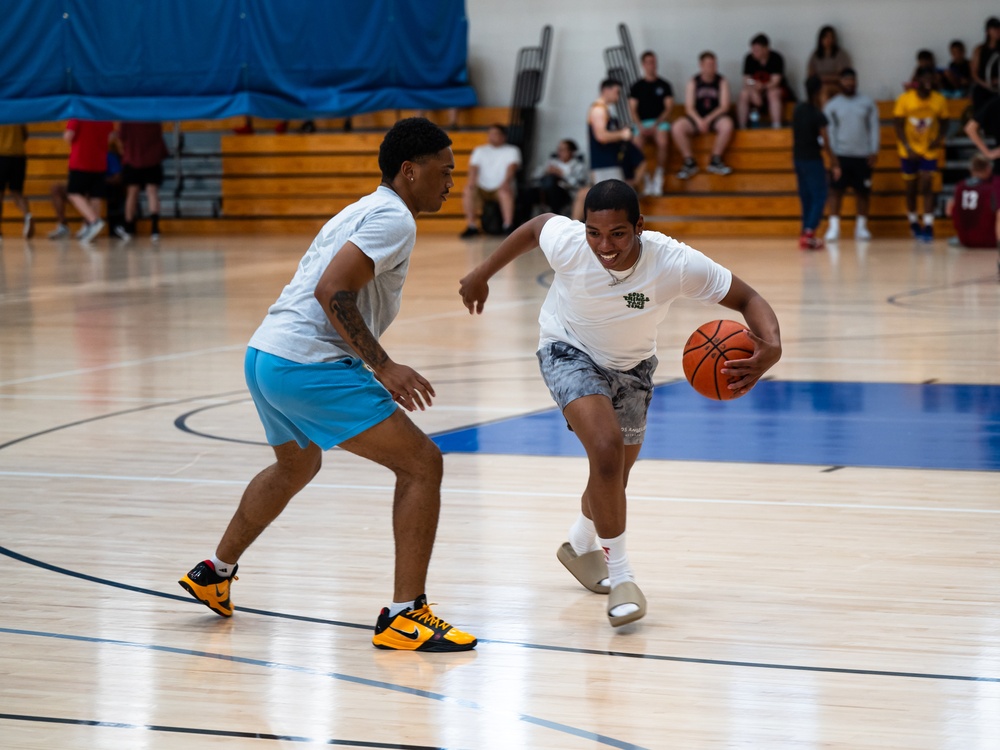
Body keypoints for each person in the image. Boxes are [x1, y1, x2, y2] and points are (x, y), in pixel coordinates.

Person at [178, 117, 477, 653]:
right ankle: (406, 615)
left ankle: (215, 572)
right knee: (421, 463)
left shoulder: (364, 208)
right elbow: (332, 290)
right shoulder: (393, 219)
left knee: (297, 463)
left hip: (265, 354)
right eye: (444, 170)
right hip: (306, 363)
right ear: (410, 171)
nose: (451, 180)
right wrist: (383, 366)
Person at [458, 179, 781, 628]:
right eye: (594, 232)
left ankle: (579, 542)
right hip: (566, 349)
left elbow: (748, 298)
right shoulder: (571, 243)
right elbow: (534, 228)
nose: (604, 245)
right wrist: (481, 272)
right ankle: (623, 577)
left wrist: (773, 346)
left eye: (617, 234)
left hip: (633, 370)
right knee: (606, 451)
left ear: (639, 227)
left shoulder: (673, 261)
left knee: (614, 476)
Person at [823, 68, 881, 242]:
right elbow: (830, 132)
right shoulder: (832, 105)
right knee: (836, 191)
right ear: (840, 82)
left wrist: (874, 150)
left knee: (863, 192)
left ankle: (861, 227)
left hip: (862, 155)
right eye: (846, 80)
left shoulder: (867, 103)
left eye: (852, 80)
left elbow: (874, 128)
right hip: (841, 155)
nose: (850, 83)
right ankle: (834, 227)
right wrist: (833, 157)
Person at [893, 67, 949, 241]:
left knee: (927, 184)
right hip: (908, 150)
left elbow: (945, 122)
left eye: (930, 77)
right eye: (924, 77)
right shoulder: (905, 99)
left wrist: (939, 138)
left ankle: (929, 225)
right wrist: (907, 147)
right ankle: (913, 221)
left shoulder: (939, 100)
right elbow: (898, 124)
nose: (928, 81)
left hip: (929, 149)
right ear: (917, 80)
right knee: (911, 188)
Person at [672, 51, 735, 180]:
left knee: (727, 124)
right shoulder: (693, 81)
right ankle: (689, 161)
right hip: (696, 117)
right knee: (677, 127)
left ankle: (715, 160)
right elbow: (689, 107)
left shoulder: (721, 81)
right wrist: (699, 120)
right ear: (701, 65)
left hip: (714, 117)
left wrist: (708, 119)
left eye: (714, 64)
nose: (712, 67)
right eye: (709, 64)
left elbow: (724, 106)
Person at [793, 76, 835, 250]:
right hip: (813, 160)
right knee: (819, 195)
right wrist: (834, 162)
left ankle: (805, 231)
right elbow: (826, 141)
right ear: (819, 91)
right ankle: (809, 232)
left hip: (798, 159)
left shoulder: (798, 109)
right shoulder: (818, 114)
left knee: (806, 196)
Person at [460, 123, 521, 237]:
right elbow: (474, 168)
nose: (492, 136)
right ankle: (471, 226)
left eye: (496, 133)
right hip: (482, 187)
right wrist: (471, 182)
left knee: (505, 192)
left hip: (500, 187)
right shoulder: (480, 150)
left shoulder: (512, 150)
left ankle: (508, 225)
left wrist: (506, 182)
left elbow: (512, 167)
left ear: (503, 136)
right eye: (490, 133)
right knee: (468, 191)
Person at [628, 51, 674, 196]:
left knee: (662, 140)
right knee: (636, 144)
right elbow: (632, 109)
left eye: (653, 62)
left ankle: (659, 175)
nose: (651, 65)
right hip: (642, 123)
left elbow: (669, 107)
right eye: (648, 62)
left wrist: (656, 124)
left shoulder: (664, 85)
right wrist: (640, 126)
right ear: (643, 65)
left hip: (659, 122)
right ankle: (646, 177)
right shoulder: (637, 86)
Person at [61, 119, 114, 242]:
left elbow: (69, 135)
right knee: (95, 196)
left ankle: (94, 221)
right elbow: (111, 137)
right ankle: (90, 228)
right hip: (100, 162)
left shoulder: (78, 114)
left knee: (73, 193)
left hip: (80, 161)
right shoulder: (104, 115)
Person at [116, 121, 170, 242]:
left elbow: (121, 139)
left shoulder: (127, 118)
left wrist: (125, 153)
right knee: (152, 192)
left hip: (133, 158)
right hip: (152, 158)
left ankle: (128, 228)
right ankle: (155, 229)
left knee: (132, 193)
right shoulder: (152, 116)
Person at [738, 33, 794, 129]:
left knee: (772, 93)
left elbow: (776, 81)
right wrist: (753, 89)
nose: (754, 53)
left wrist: (762, 87)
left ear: (766, 49)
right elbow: (747, 80)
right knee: (743, 94)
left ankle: (776, 126)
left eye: (757, 50)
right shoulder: (749, 58)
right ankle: (742, 127)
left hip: (776, 89)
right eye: (753, 50)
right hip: (756, 89)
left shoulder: (776, 58)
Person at [946, 154, 1000, 251]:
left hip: (965, 240)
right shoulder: (995, 184)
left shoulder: (960, 186)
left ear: (971, 169)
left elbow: (948, 211)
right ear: (988, 168)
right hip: (989, 240)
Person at [527, 138, 588, 217]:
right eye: (558, 149)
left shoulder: (578, 166)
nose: (559, 152)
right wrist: (545, 172)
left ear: (571, 151)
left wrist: (562, 174)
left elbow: (578, 185)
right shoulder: (552, 162)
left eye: (563, 150)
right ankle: (525, 220)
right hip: (545, 191)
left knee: (554, 186)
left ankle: (555, 217)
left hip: (566, 193)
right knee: (529, 192)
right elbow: (533, 176)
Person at [0, 124, 34, 241]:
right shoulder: (16, 109)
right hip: (19, 157)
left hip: (1, 154)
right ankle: (27, 215)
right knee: (17, 192)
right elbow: (25, 135)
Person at [806, 26, 852, 105]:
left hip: (836, 86)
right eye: (826, 37)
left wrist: (823, 78)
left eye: (831, 37)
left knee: (824, 91)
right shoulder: (815, 55)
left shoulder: (840, 54)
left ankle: (825, 116)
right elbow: (810, 74)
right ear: (821, 39)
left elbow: (843, 76)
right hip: (818, 86)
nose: (828, 39)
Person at [964, 94, 1000, 175]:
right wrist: (988, 153)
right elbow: (970, 128)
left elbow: (970, 128)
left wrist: (988, 153)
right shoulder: (996, 103)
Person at [970, 17, 1000, 114]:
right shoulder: (980, 49)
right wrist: (986, 84)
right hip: (983, 87)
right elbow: (974, 73)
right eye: (994, 29)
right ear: (987, 31)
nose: (997, 31)